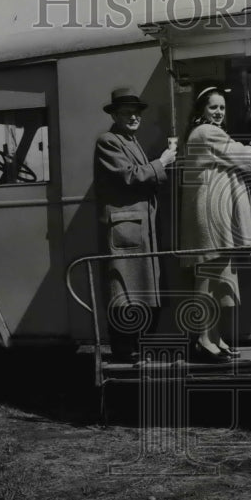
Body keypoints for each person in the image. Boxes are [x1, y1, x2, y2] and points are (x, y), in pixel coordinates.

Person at [179, 83, 251, 362]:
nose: (218, 112)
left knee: (216, 279)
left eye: (222, 108)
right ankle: (203, 340)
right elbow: (240, 154)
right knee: (209, 277)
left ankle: (214, 337)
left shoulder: (206, 132)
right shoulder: (206, 132)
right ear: (201, 110)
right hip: (209, 214)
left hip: (211, 210)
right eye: (213, 107)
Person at [93, 87, 176, 363]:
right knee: (125, 293)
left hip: (138, 230)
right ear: (115, 115)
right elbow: (130, 176)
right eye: (127, 113)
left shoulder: (129, 140)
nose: (133, 117)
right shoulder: (108, 141)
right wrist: (162, 162)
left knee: (142, 291)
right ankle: (125, 352)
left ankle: (139, 351)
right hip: (126, 231)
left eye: (136, 113)